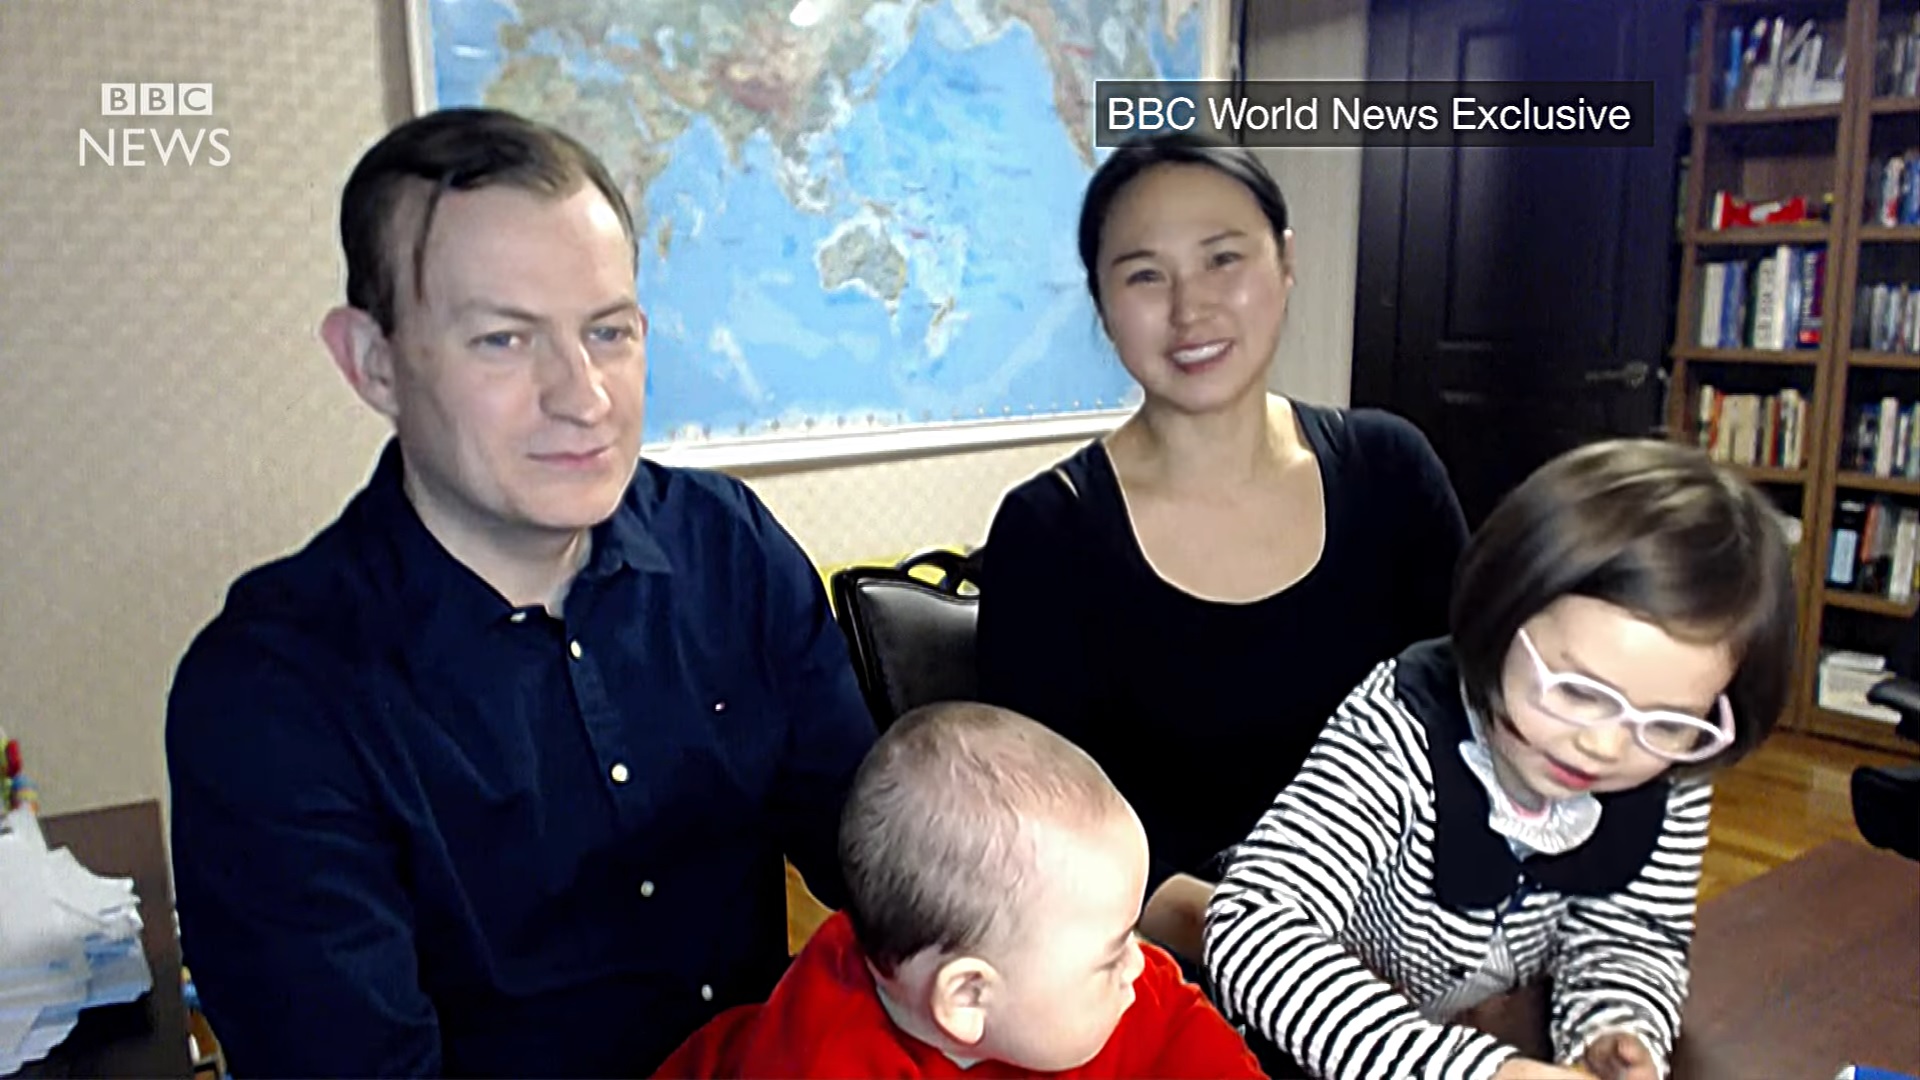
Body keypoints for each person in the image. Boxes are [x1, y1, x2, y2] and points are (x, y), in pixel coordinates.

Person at [164, 108, 878, 1077]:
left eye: (608, 332)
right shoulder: (272, 693)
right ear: (373, 363)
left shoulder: (728, 546)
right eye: (503, 340)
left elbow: (877, 856)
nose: (583, 397)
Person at [974, 132, 1469, 959]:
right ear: (1101, 303)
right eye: (1145, 275)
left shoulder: (1390, 470)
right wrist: (1262, 946)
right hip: (1173, 963)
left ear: (1286, 261)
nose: (1190, 308)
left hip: (1422, 934)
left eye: (1223, 259)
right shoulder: (1048, 530)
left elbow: (1474, 721)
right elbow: (1052, 824)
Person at [1204, 439, 1798, 1080]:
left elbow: (1631, 934)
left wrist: (1615, 1029)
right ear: (1502, 612)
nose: (1605, 747)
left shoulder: (1666, 766)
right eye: (1577, 691)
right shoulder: (1397, 732)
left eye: (1670, 722)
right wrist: (1483, 1073)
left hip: (1470, 1032)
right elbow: (1249, 927)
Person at [653, 701, 1267, 1079]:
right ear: (969, 995)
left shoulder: (1094, 985)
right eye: (1111, 955)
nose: (1140, 965)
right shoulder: (822, 1061)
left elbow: (1179, 1028)